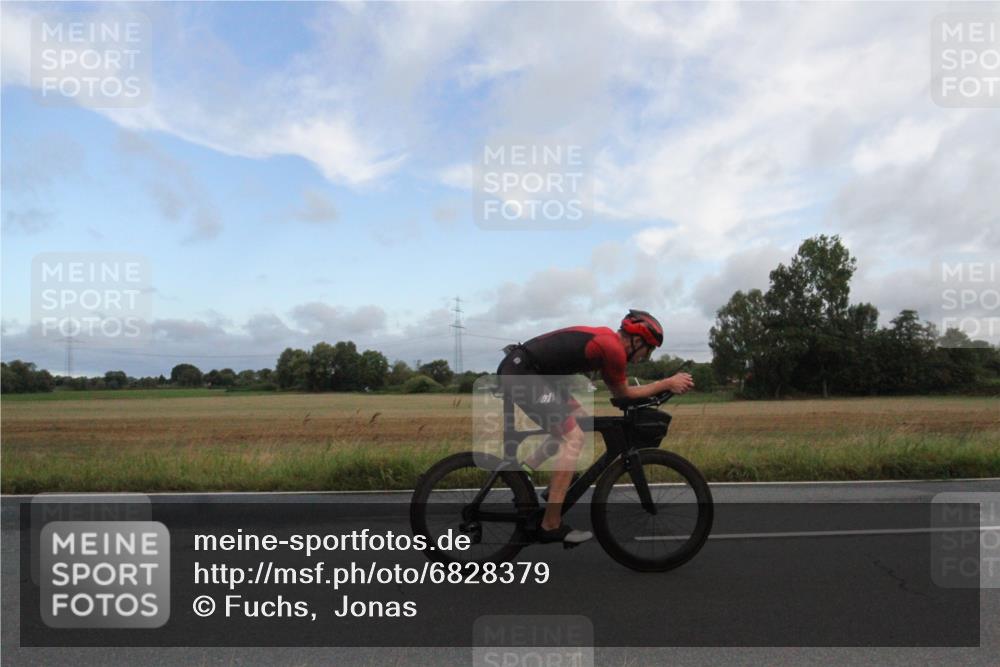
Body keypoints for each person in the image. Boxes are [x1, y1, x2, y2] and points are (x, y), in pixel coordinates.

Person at [496, 309, 695, 545]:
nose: (647, 356)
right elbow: (623, 393)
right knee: (574, 437)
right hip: (523, 373)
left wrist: (662, 387)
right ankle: (550, 524)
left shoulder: (609, 343)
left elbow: (620, 394)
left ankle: (526, 473)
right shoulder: (611, 348)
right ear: (637, 340)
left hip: (533, 373)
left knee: (579, 418)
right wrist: (667, 383)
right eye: (649, 349)